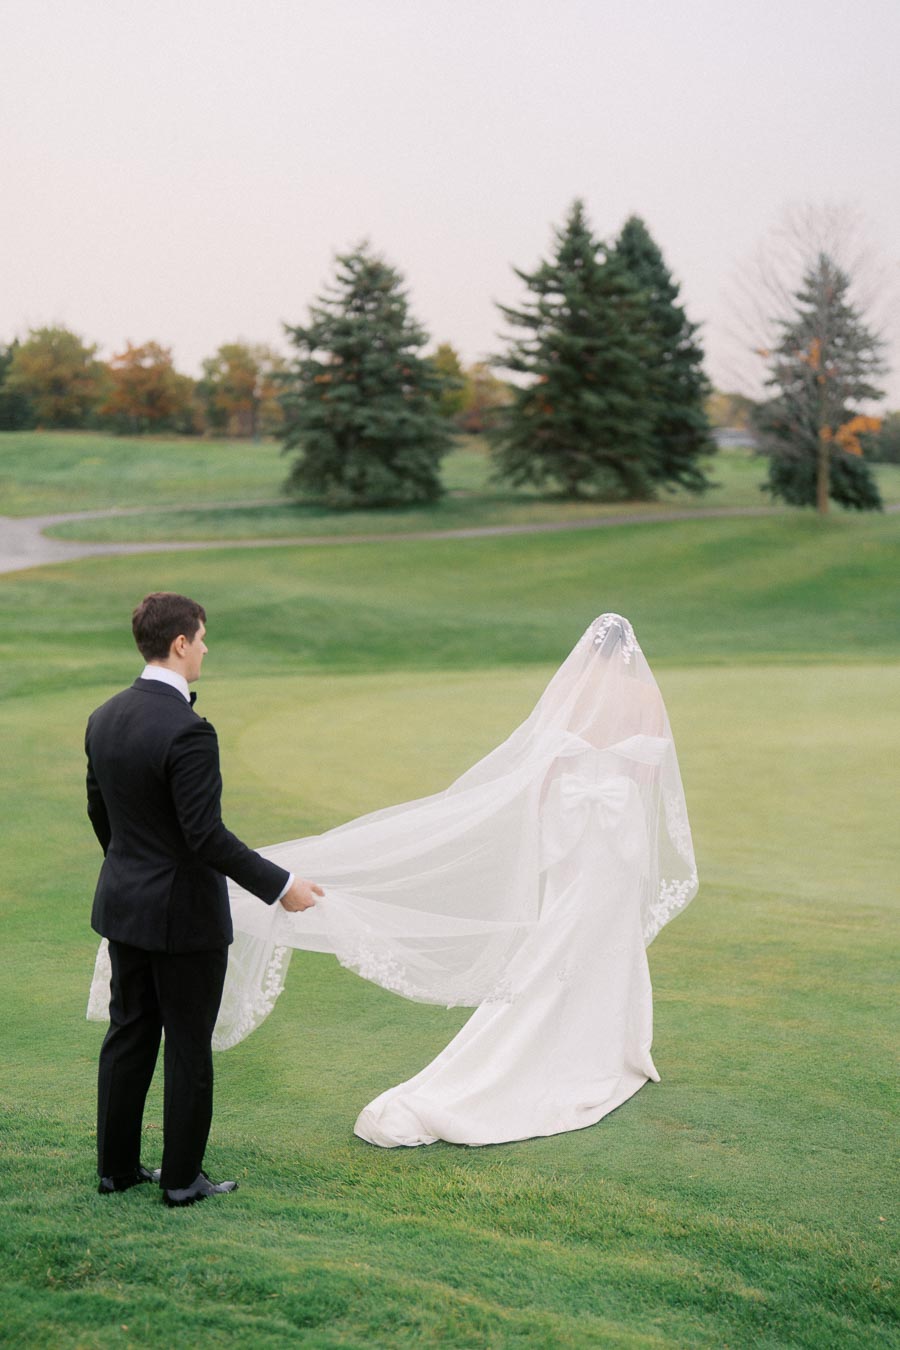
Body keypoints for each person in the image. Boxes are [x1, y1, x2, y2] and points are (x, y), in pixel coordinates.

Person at [85, 591, 321, 1205]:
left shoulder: (104, 715)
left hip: (125, 906)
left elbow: (102, 816)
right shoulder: (189, 730)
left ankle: (115, 1170)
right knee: (187, 1046)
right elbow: (205, 836)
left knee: (128, 1034)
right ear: (180, 643)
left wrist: (134, 868)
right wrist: (281, 885)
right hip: (184, 918)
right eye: (203, 637)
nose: (207, 649)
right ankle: (183, 1180)